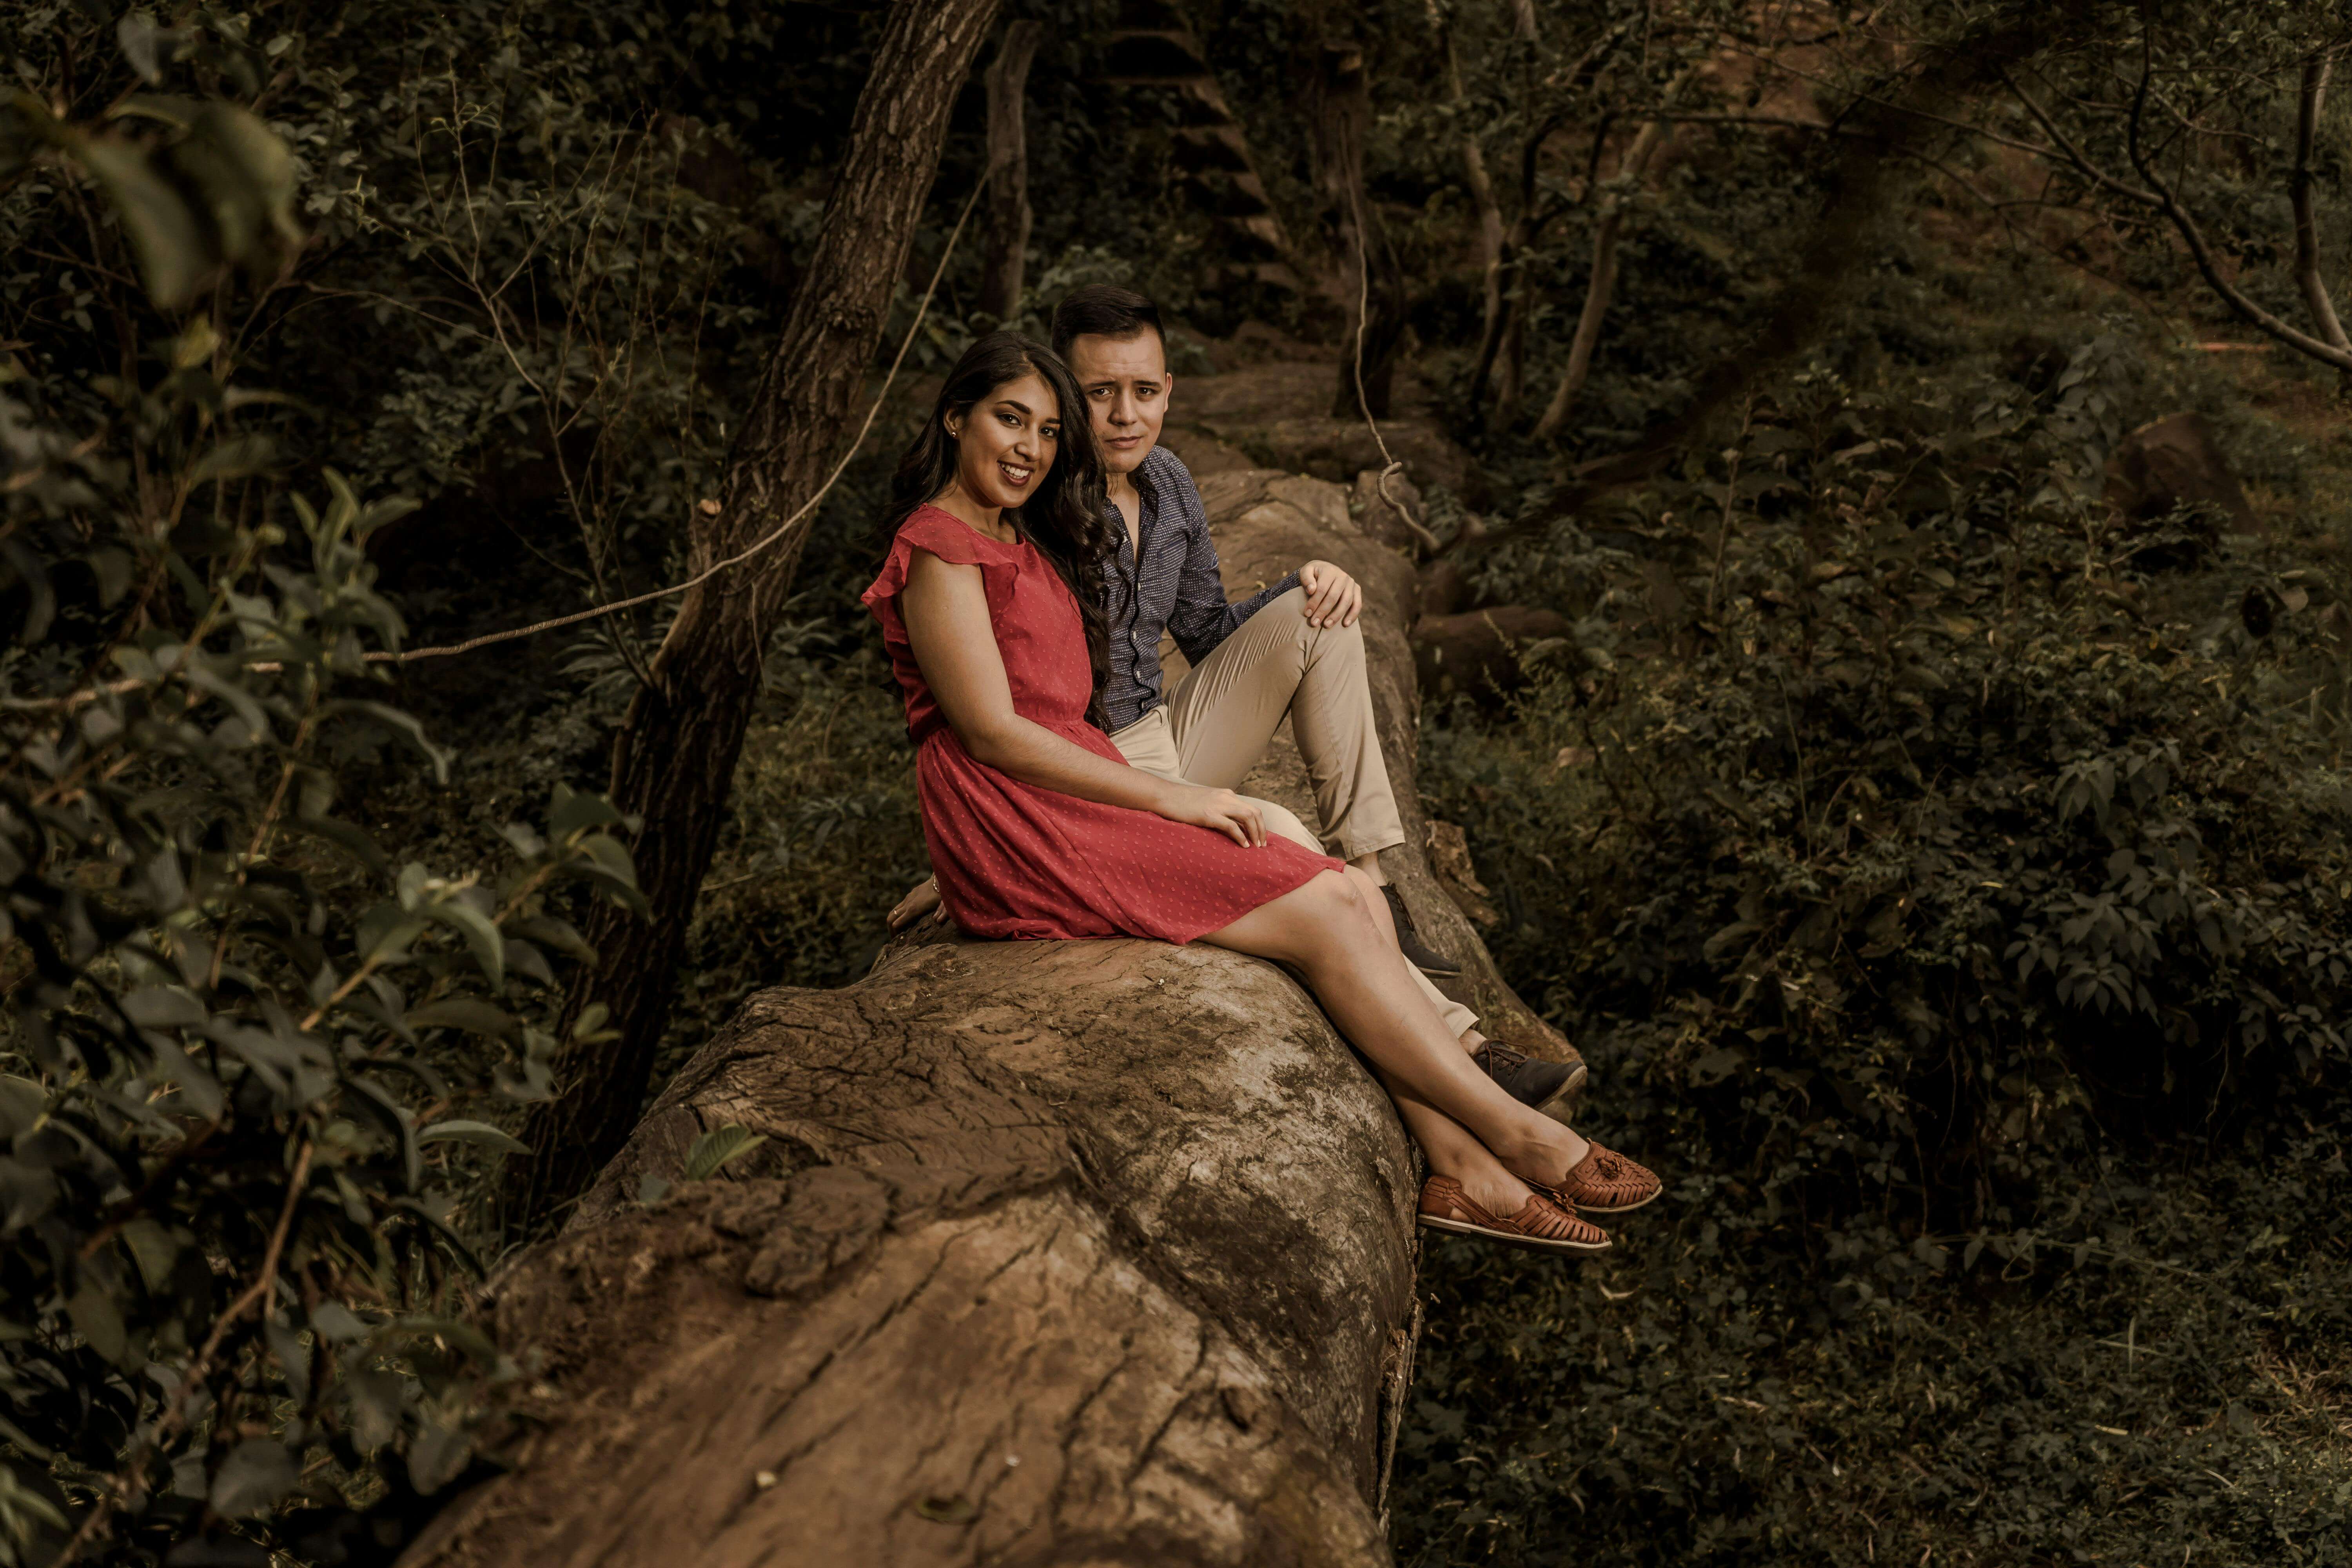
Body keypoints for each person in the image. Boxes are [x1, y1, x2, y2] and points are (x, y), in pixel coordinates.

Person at [862, 330, 1659, 1254]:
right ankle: (1522, 1135)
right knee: (1322, 905)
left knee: (1348, 893)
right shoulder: (939, 547)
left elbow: (1122, 665)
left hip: (1066, 798)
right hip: (1026, 817)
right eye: (1010, 419)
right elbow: (990, 732)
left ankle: (1461, 1169)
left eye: (1045, 430)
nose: (1029, 448)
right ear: (954, 416)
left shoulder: (1023, 529)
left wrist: (1295, 588)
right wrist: (1171, 801)